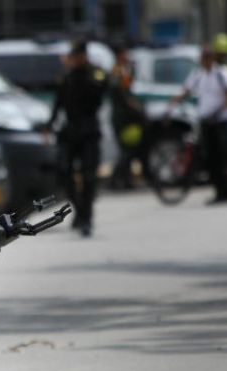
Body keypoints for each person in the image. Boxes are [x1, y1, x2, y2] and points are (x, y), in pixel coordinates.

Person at [45, 40, 108, 236]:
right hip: (70, 131)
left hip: (89, 131)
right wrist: (49, 125)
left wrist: (83, 74)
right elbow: (58, 103)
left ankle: (86, 217)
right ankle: (80, 210)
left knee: (89, 175)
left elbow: (98, 95)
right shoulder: (66, 76)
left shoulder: (95, 74)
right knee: (64, 172)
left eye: (77, 56)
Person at [168, 44, 227, 204]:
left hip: (220, 122)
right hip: (206, 122)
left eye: (208, 57)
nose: (205, 60)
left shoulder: (222, 73)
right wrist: (172, 105)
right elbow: (186, 91)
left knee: (223, 157)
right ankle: (219, 191)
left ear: (213, 58)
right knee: (211, 158)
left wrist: (219, 112)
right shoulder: (198, 75)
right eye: (203, 57)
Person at [108, 43, 145, 190]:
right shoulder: (117, 72)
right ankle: (116, 179)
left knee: (129, 149)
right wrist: (136, 108)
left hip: (126, 116)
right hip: (121, 117)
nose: (127, 56)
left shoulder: (123, 70)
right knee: (126, 151)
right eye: (124, 53)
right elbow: (123, 95)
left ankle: (125, 180)